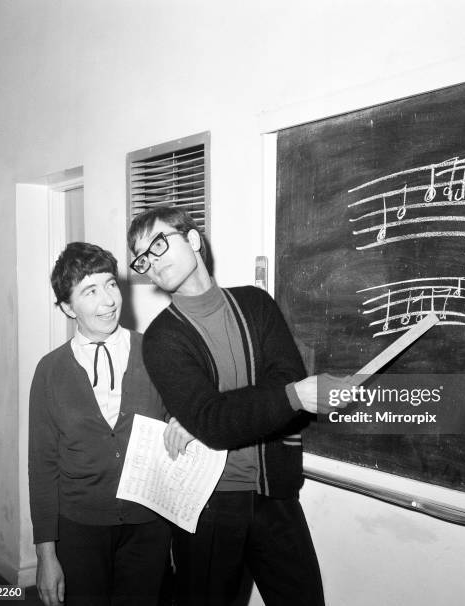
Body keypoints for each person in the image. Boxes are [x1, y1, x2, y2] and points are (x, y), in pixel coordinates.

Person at [127, 207, 348, 606]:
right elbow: (220, 420)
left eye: (159, 244)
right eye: (143, 258)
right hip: (208, 505)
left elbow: (277, 391)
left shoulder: (256, 304)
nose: (152, 264)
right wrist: (212, 417)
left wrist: (210, 416)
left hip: (273, 491)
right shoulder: (161, 339)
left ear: (193, 240)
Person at [28, 242, 171, 606]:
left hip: (148, 526)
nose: (108, 301)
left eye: (110, 284)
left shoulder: (155, 351)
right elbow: (42, 467)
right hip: (78, 530)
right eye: (90, 291)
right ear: (66, 307)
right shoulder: (50, 371)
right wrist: (46, 554)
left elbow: (180, 430)